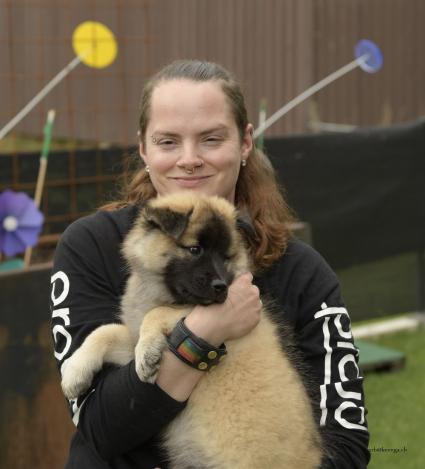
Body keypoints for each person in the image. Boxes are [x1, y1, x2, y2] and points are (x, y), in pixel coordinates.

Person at [50, 60, 370, 468]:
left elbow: (347, 442)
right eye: (168, 142)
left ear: (245, 143)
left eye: (211, 139)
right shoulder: (90, 246)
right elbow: (101, 429)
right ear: (143, 149)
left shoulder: (303, 272)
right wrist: (202, 334)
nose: (189, 159)